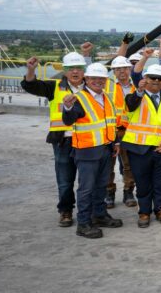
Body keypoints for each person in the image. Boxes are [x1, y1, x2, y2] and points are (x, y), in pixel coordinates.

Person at [21, 46, 93, 227]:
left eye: (79, 68)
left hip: (87, 140)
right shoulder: (54, 87)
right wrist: (31, 70)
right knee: (65, 180)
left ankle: (88, 211)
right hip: (63, 141)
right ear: (65, 70)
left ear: (84, 70)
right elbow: (31, 85)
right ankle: (66, 211)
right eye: (71, 68)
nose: (75, 71)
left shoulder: (92, 87)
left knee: (88, 181)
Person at [60, 62, 123, 239]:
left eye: (101, 79)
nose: (98, 81)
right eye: (94, 78)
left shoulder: (106, 97)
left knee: (101, 186)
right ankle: (84, 223)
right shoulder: (78, 98)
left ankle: (99, 215)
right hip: (87, 151)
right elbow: (68, 120)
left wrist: (115, 143)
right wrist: (68, 107)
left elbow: (111, 123)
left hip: (105, 149)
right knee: (86, 188)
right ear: (86, 79)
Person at [121, 64, 161, 228]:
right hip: (139, 149)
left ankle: (160, 209)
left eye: (159, 79)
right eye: (152, 77)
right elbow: (131, 104)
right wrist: (139, 91)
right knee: (143, 183)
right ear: (145, 79)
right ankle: (144, 212)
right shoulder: (135, 97)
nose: (155, 81)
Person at [106, 55, 137, 208]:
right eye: (117, 69)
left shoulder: (136, 85)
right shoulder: (107, 85)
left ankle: (128, 191)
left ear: (130, 69)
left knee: (128, 164)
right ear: (113, 71)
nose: (122, 72)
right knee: (107, 164)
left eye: (124, 68)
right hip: (110, 130)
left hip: (129, 131)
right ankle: (109, 192)